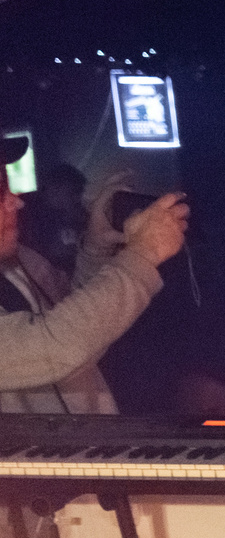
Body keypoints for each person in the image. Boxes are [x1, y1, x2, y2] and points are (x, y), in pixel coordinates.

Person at [0, 147, 188, 417]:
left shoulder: (23, 260)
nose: (17, 202)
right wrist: (143, 255)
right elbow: (52, 345)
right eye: (1, 191)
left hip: (90, 439)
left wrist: (96, 248)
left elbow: (76, 323)